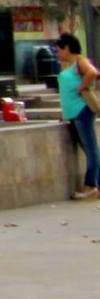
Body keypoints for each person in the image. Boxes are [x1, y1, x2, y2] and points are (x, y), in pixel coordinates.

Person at [61, 33, 100, 201]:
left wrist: (82, 87)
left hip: (81, 111)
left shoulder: (80, 62)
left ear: (67, 48)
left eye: (58, 49)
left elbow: (93, 72)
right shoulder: (68, 66)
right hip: (73, 114)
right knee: (89, 149)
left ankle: (90, 185)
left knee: (91, 150)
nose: (57, 53)